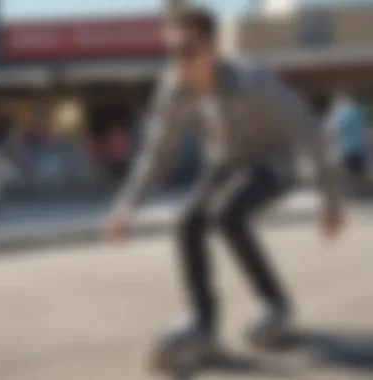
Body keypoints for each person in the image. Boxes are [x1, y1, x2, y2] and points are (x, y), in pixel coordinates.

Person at [105, 7, 343, 366]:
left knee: (226, 215)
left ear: (213, 49)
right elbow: (157, 152)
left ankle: (275, 304)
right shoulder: (173, 88)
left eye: (188, 50)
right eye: (172, 52)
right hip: (225, 161)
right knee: (186, 223)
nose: (179, 62)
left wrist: (331, 201)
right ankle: (203, 326)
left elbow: (310, 131)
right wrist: (127, 205)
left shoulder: (255, 83)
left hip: (273, 162)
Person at [326, 94, 368, 187]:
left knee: (348, 172)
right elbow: (363, 129)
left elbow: (335, 130)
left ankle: (352, 189)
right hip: (359, 148)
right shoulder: (359, 112)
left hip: (347, 148)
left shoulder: (341, 114)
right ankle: (359, 187)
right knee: (358, 171)